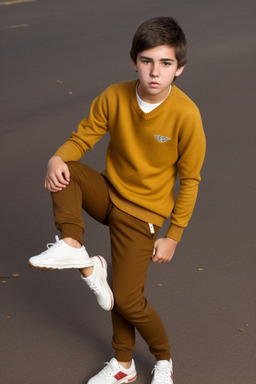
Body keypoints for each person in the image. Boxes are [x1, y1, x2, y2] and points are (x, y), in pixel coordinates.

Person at [29, 16, 206, 384]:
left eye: (166, 63)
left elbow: (189, 180)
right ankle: (74, 246)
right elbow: (82, 138)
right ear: (134, 61)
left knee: (127, 300)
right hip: (110, 194)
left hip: (143, 216)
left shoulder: (187, 115)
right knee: (70, 169)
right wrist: (56, 157)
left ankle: (155, 361)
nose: (155, 72)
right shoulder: (114, 95)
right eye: (147, 61)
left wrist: (174, 235)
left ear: (180, 68)